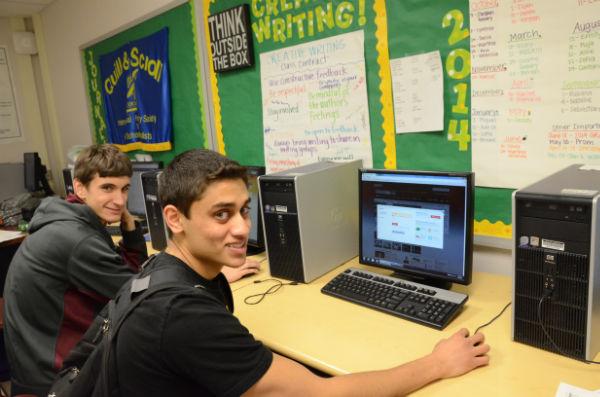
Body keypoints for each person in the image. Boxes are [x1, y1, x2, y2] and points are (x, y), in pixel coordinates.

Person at [114, 148, 490, 396]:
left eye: (245, 210)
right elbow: (318, 393)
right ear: (174, 218)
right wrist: (436, 363)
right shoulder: (184, 315)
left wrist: (218, 275)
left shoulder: (164, 272)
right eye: (220, 214)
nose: (243, 229)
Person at [3, 144, 148, 396]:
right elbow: (139, 294)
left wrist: (128, 227)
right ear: (80, 188)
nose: (120, 200)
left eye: (125, 188)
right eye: (107, 188)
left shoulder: (72, 220)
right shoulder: (76, 239)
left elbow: (125, 274)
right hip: (56, 376)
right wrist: (195, 274)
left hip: (36, 359)